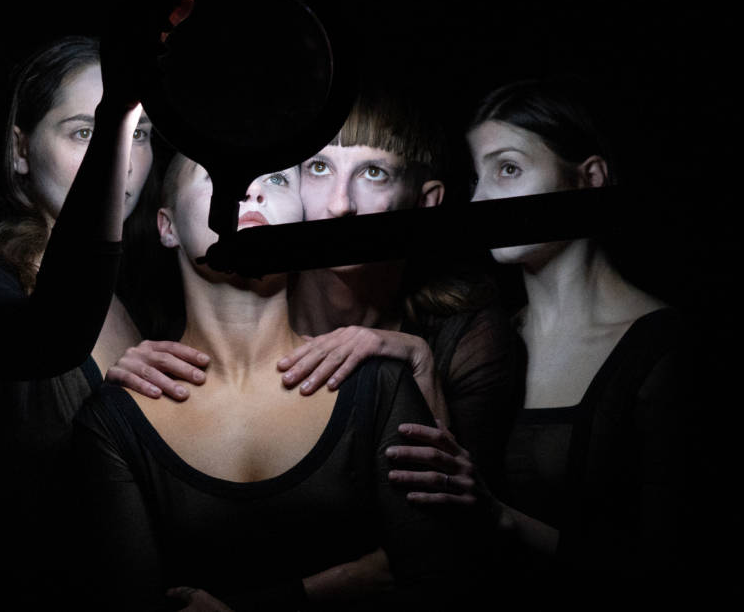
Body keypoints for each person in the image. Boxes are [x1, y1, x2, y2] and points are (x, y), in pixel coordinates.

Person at [72, 155, 452, 610]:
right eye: (218, 176)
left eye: (276, 179)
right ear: (167, 227)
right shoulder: (112, 421)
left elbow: (436, 580)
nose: (251, 191)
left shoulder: (380, 385)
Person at [108, 81, 520, 499]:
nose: (340, 204)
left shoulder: (467, 337)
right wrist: (134, 356)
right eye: (319, 168)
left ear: (426, 202)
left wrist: (419, 363)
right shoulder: (242, 291)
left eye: (373, 173)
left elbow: (455, 509)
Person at [391, 78, 695, 589]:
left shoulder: (664, 349)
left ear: (590, 178)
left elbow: (674, 569)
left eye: (508, 169)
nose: (481, 198)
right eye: (476, 178)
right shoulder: (481, 340)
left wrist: (499, 517)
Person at [0, 35, 154, 603]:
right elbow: (48, 339)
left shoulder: (147, 300)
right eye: (87, 132)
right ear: (20, 149)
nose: (121, 158)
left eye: (139, 134)